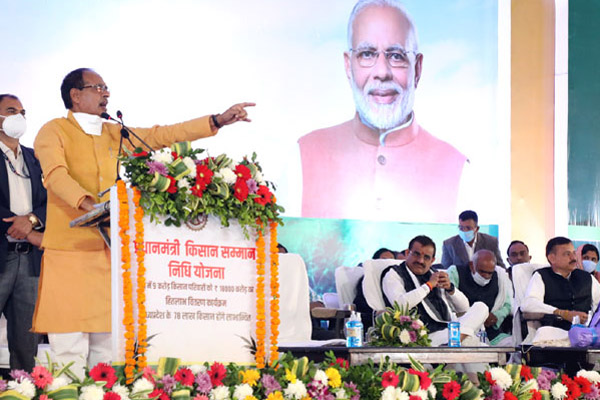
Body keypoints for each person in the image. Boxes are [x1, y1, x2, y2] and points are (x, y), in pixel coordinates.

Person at [32, 68, 255, 376]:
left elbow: (162, 135)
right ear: (75, 95)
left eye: (106, 87)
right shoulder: (53, 130)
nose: (106, 93)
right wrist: (89, 206)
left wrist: (216, 120)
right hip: (69, 253)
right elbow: (55, 175)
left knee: (105, 351)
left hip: (109, 253)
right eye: (98, 87)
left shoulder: (115, 132)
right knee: (69, 348)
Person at [298, 0, 466, 223]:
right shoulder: (302, 155)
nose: (382, 72)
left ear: (417, 68)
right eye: (367, 54)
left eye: (396, 56)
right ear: (348, 66)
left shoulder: (458, 168)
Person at [0, 94, 46, 371]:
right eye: (11, 111)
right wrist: (17, 227)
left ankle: (24, 387)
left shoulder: (35, 158)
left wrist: (31, 220)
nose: (19, 117)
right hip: (2, 252)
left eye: (22, 112)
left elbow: (51, 199)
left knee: (26, 341)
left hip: (29, 259)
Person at [381, 235, 488, 346]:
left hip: (450, 329)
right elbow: (400, 305)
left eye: (426, 257)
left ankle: (453, 343)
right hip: (425, 336)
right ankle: (456, 342)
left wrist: (450, 289)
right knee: (472, 342)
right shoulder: (394, 274)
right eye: (416, 254)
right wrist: (428, 286)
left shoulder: (435, 274)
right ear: (408, 253)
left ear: (432, 260)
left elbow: (464, 308)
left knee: (481, 307)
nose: (420, 260)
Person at [522, 236, 600, 330]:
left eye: (574, 253)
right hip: (554, 331)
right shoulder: (541, 276)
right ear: (552, 258)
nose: (573, 258)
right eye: (567, 254)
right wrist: (563, 314)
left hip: (587, 331)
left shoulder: (587, 277)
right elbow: (529, 304)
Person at [447, 249, 512, 345]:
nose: (486, 276)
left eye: (490, 273)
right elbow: (448, 301)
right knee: (480, 307)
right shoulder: (455, 272)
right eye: (482, 272)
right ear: (471, 266)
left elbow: (507, 304)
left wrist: (496, 316)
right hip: (460, 327)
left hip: (490, 333)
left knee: (513, 345)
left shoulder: (499, 276)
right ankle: (455, 341)